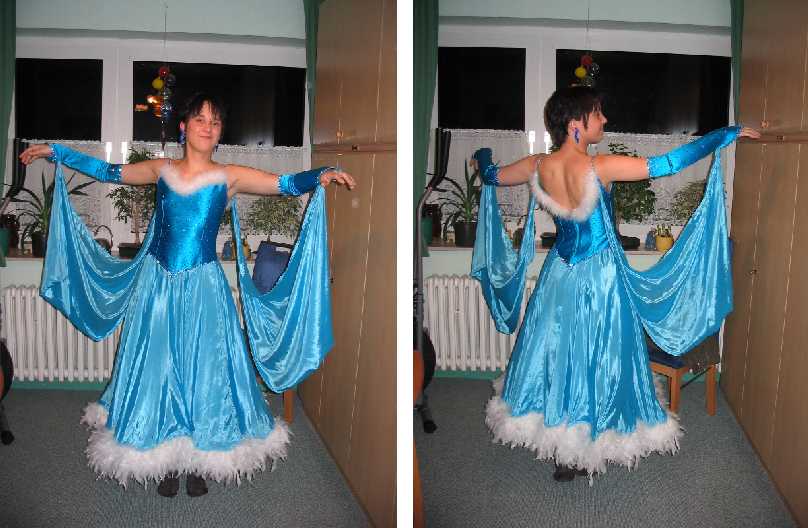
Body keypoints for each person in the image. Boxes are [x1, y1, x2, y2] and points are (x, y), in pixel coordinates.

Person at [19, 93, 355, 497]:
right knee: (159, 370)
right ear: (184, 126)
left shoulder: (229, 176)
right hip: (157, 288)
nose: (207, 127)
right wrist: (59, 152)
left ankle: (198, 457)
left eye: (215, 121)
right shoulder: (161, 169)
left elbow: (284, 184)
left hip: (204, 289)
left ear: (220, 132)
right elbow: (108, 171)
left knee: (204, 370)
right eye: (200, 119)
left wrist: (320, 174)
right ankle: (164, 457)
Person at [471, 86, 759, 482]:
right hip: (601, 278)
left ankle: (565, 450)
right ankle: (587, 438)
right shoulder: (600, 166)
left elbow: (490, 175)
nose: (604, 119)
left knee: (561, 355)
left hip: (559, 276)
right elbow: (667, 164)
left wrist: (482, 156)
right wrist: (722, 135)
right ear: (576, 123)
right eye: (597, 113)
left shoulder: (538, 165)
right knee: (600, 355)